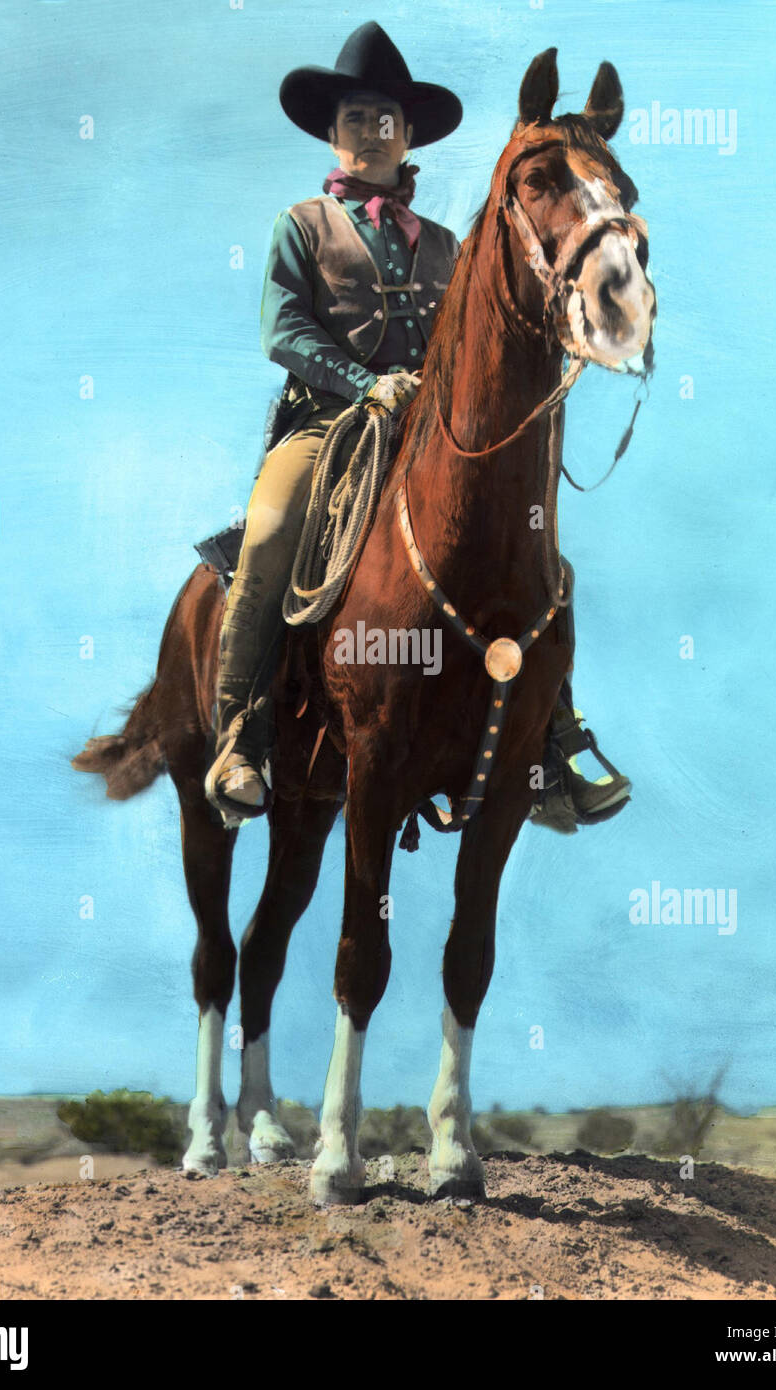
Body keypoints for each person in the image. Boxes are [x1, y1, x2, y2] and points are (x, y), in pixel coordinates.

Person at [203, 21, 630, 835]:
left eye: (386, 119)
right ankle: (242, 737)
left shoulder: (443, 246)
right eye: (357, 117)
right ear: (333, 133)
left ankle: (554, 746)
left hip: (429, 437)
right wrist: (368, 384)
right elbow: (282, 330)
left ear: (407, 136)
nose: (372, 131)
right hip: (326, 428)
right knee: (268, 533)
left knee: (531, 553)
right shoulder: (300, 226)